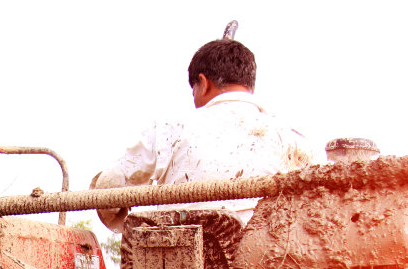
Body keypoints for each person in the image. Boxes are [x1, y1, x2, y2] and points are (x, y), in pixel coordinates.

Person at [91, 37, 316, 230]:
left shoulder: (170, 130)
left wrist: (124, 220)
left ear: (203, 83)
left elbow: (107, 189)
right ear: (251, 87)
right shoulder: (294, 140)